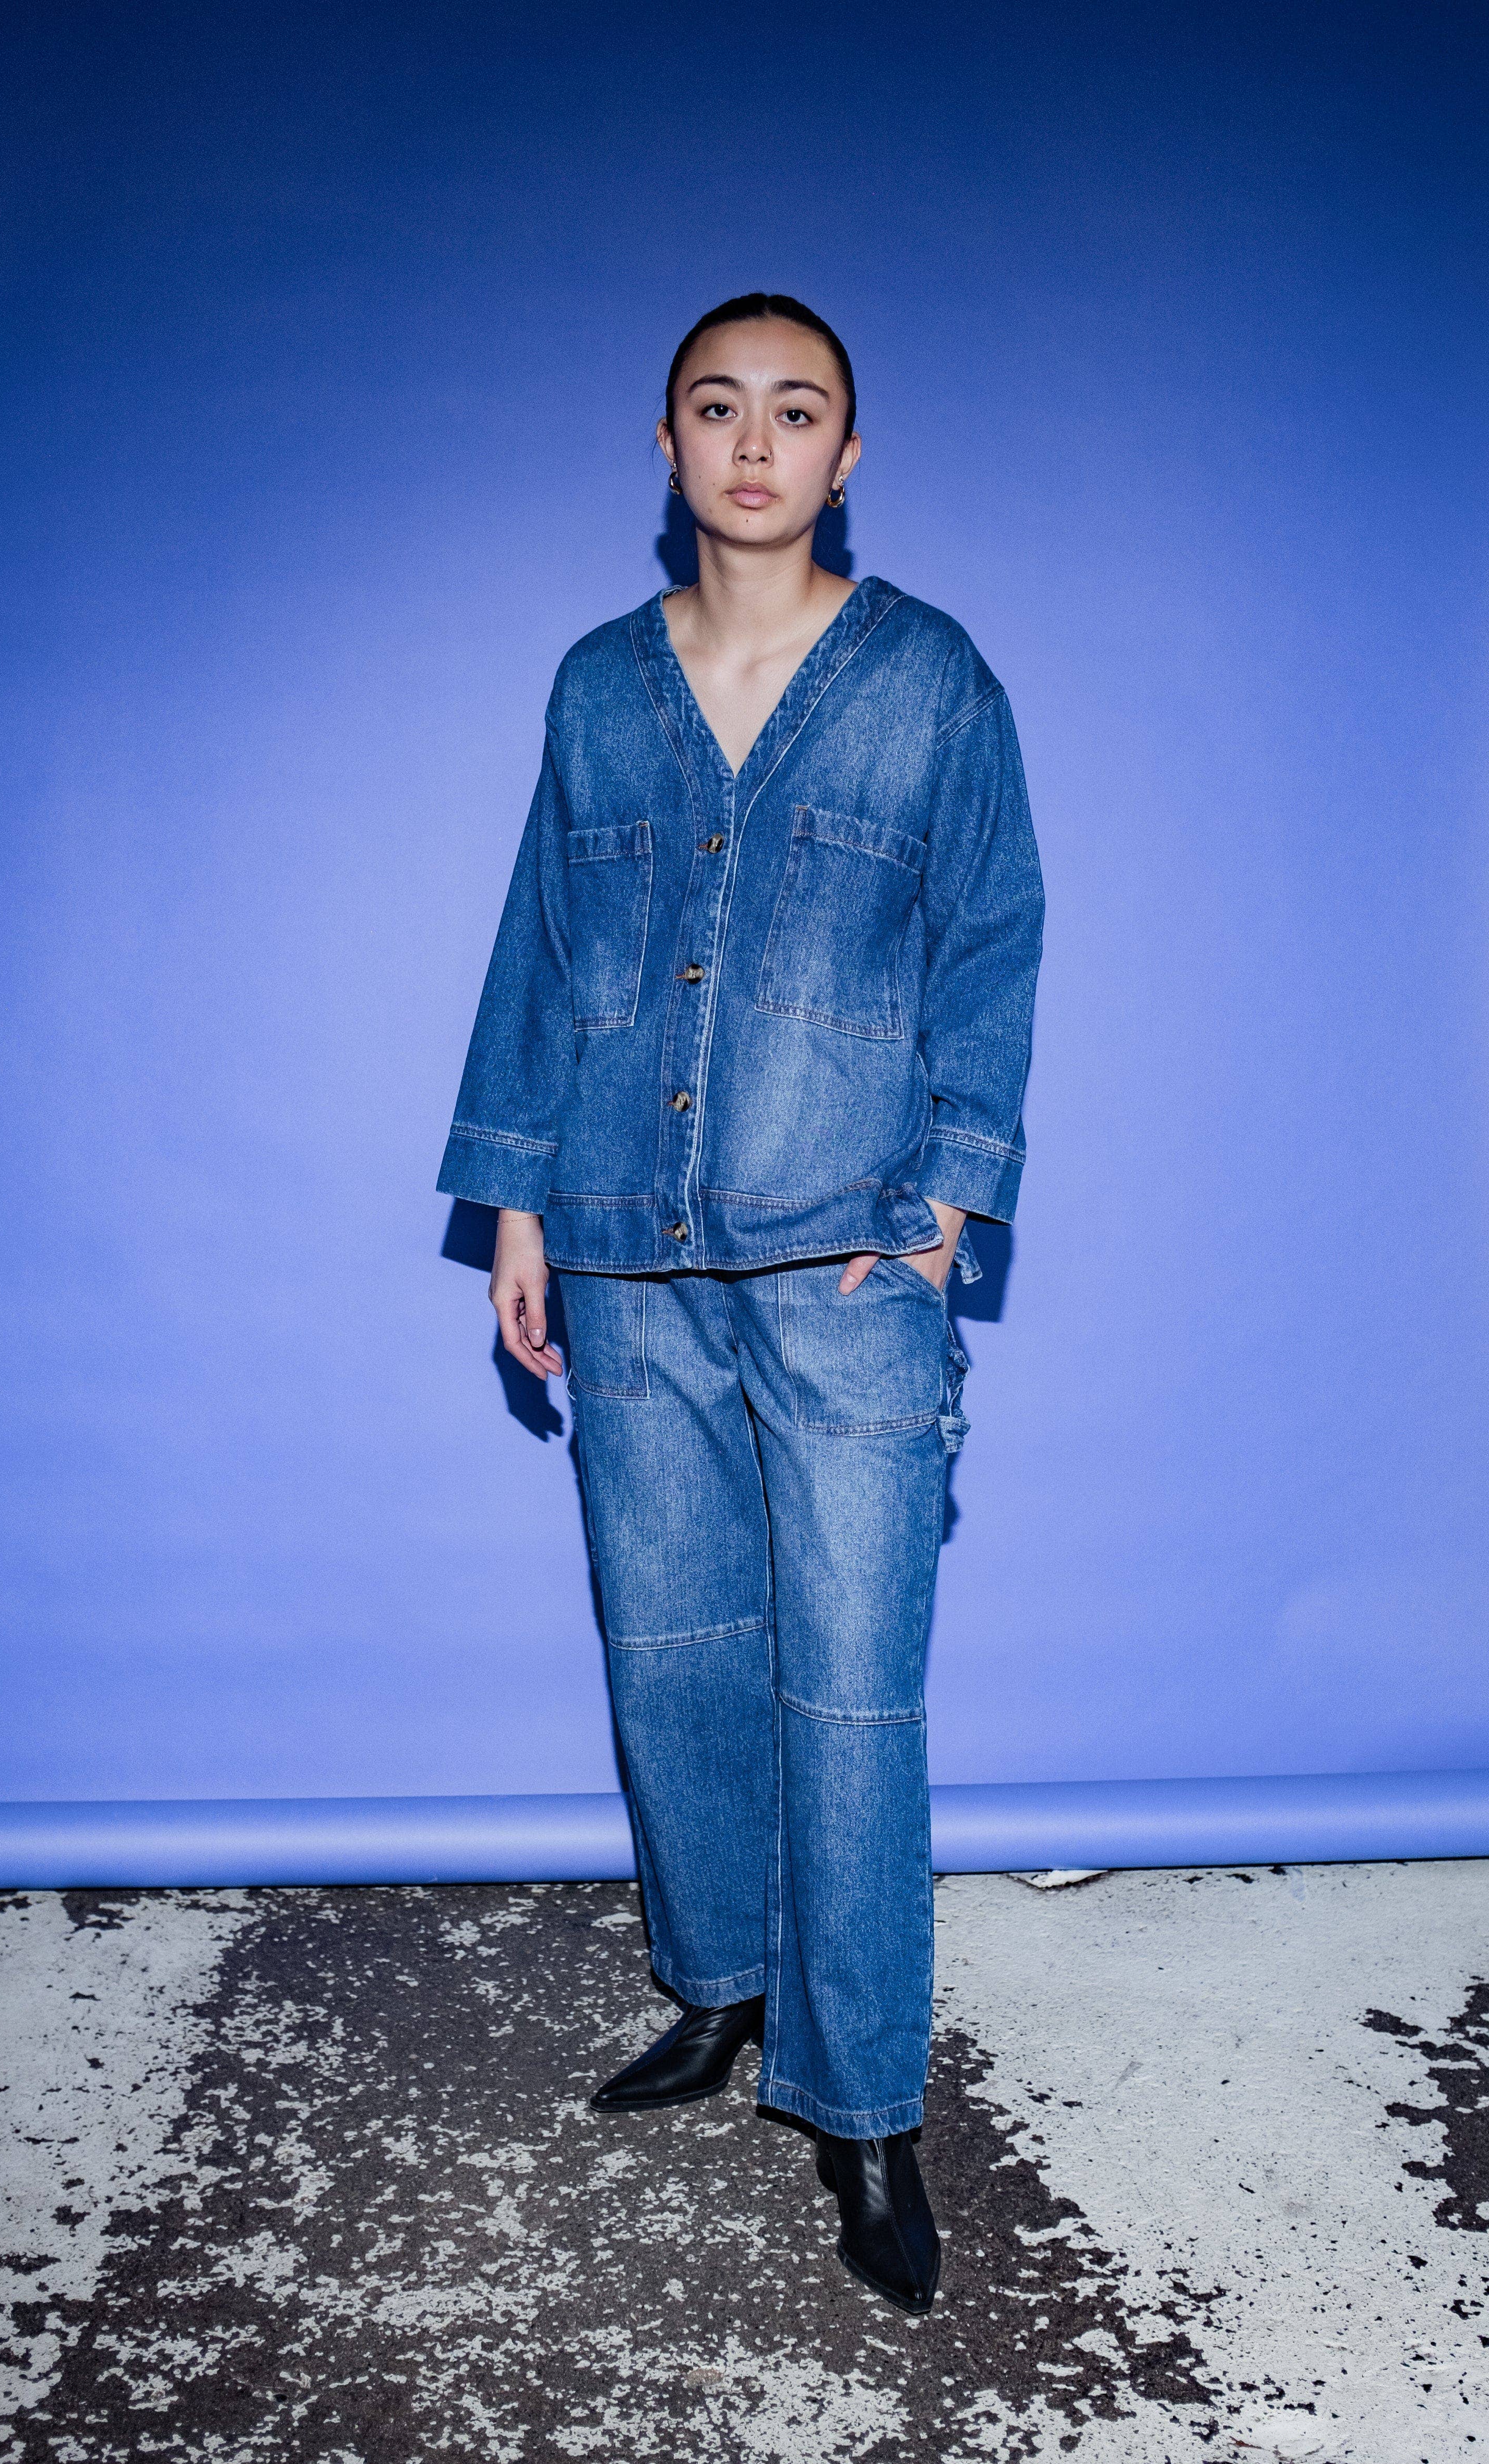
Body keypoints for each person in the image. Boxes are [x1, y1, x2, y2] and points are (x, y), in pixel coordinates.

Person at [438, 292, 1043, 2313]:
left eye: (798, 412)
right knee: (675, 1649)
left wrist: (949, 1204)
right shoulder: (596, 688)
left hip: (850, 1252)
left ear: (847, 455)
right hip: (625, 1252)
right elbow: (540, 949)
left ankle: (861, 2103)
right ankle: (719, 1985)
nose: (757, 442)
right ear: (670, 443)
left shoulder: (929, 679)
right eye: (720, 407)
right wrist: (519, 1206)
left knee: (850, 1688)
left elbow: (994, 937)